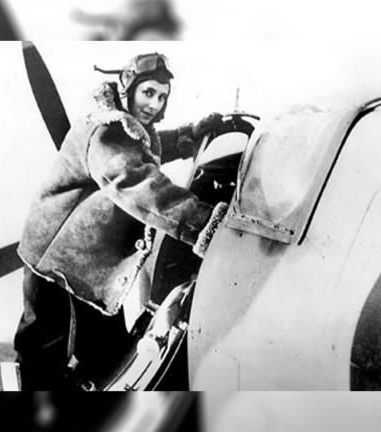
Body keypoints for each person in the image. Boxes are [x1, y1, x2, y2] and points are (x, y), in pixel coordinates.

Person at [13, 52, 229, 389]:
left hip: (82, 259)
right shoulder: (106, 132)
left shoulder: (120, 127)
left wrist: (186, 138)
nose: (154, 104)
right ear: (128, 87)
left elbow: (141, 149)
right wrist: (202, 224)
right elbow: (133, 180)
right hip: (57, 259)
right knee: (44, 350)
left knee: (102, 352)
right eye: (148, 93)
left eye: (161, 96)